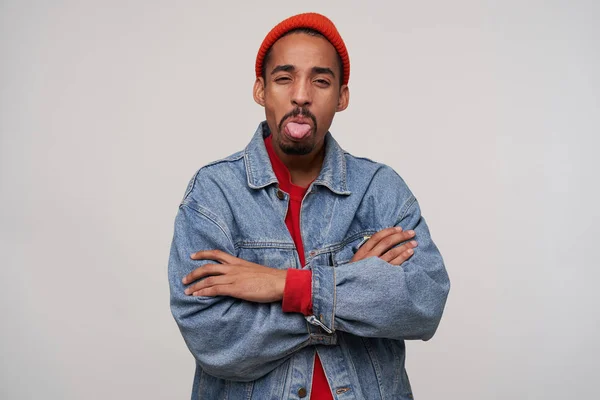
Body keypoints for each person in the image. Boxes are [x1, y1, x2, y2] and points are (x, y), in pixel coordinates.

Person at [168, 12, 450, 400]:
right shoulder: (214, 193)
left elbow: (423, 302)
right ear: (261, 90)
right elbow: (214, 338)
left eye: (320, 80)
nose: (301, 95)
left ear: (342, 96)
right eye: (285, 78)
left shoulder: (380, 189)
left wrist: (287, 285)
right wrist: (351, 287)